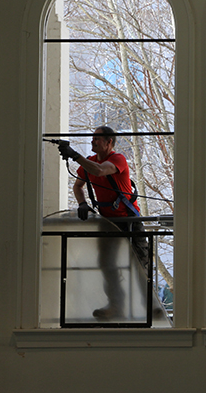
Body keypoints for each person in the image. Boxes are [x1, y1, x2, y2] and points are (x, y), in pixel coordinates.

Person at [59, 125, 148, 321]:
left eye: (97, 138)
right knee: (107, 263)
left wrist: (74, 155)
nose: (93, 141)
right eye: (92, 138)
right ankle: (116, 306)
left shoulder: (117, 160)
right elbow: (77, 185)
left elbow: (99, 171)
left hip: (129, 220)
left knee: (140, 262)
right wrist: (82, 203)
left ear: (109, 142)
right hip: (108, 221)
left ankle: (148, 306)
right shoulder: (89, 163)